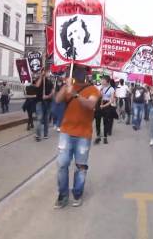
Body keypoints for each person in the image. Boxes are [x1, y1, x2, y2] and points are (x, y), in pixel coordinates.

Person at [54, 65, 100, 208]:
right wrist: (65, 86)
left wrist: (75, 93)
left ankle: (77, 194)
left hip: (83, 135)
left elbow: (90, 104)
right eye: (74, 70)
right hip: (66, 132)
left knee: (80, 166)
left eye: (79, 71)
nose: (76, 73)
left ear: (85, 74)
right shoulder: (69, 86)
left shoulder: (93, 90)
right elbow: (57, 99)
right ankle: (62, 195)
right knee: (62, 164)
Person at [95, 75, 116, 144]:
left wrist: (103, 106)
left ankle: (105, 137)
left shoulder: (111, 89)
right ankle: (98, 136)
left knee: (105, 122)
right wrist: (100, 91)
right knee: (97, 122)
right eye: (101, 80)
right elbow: (97, 96)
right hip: (99, 104)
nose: (101, 81)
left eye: (103, 80)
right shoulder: (99, 87)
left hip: (106, 105)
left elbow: (112, 100)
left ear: (107, 81)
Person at [34, 70, 54, 141]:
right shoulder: (38, 80)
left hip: (48, 103)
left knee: (46, 119)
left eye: (46, 72)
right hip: (39, 102)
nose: (46, 73)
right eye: (44, 72)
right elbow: (37, 85)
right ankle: (38, 135)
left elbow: (52, 92)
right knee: (39, 118)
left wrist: (47, 96)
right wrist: (41, 77)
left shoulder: (50, 82)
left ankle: (45, 134)